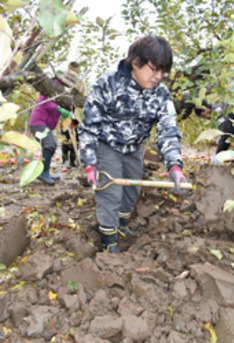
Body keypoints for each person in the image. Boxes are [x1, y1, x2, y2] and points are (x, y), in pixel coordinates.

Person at [78, 35, 189, 254]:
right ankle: (109, 240)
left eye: (162, 71)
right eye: (154, 69)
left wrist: (174, 166)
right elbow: (89, 124)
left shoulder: (161, 94)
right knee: (111, 193)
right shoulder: (107, 84)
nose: (158, 76)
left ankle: (121, 228)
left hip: (134, 149)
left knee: (132, 190)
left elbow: (168, 130)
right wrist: (90, 163)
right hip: (107, 145)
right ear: (136, 62)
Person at [29, 76, 75, 185]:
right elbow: (49, 104)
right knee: (50, 145)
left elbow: (58, 107)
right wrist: (61, 109)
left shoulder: (58, 96)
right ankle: (43, 173)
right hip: (38, 124)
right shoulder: (46, 93)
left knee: (49, 147)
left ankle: (44, 172)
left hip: (43, 125)